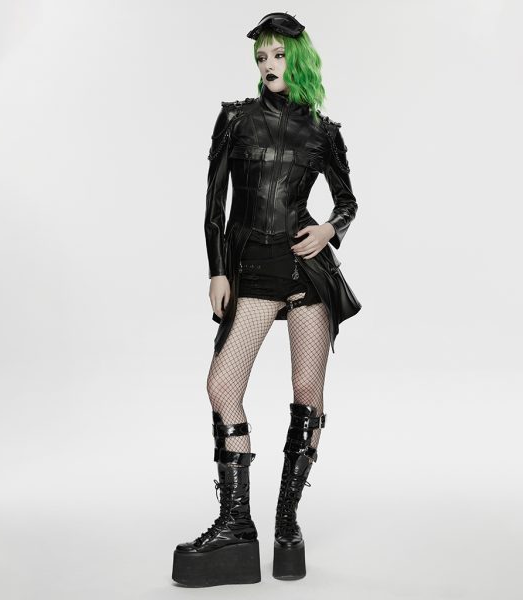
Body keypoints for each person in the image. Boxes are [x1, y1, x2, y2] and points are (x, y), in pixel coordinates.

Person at [172, 12, 362, 587]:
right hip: (252, 268)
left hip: (307, 273)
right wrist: (217, 271)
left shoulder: (324, 132)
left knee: (308, 393)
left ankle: (286, 523)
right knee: (222, 386)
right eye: (262, 56)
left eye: (278, 54)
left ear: (297, 60)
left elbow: (348, 201)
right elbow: (214, 205)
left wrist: (329, 229)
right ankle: (236, 524)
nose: (268, 64)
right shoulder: (235, 119)